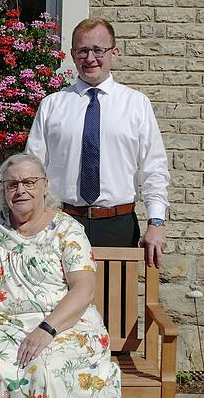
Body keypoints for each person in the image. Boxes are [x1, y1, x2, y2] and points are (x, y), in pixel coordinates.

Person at [0, 152, 121, 398]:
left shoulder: (67, 230)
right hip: (2, 327)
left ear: (45, 185)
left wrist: (46, 329)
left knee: (50, 370)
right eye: (12, 184)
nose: (20, 190)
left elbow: (84, 288)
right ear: (4, 190)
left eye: (29, 182)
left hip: (62, 324)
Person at [26, 18, 170, 268]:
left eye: (98, 50)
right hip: (61, 222)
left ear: (114, 53)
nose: (90, 58)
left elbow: (154, 168)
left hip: (117, 226)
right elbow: (32, 169)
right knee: (60, 303)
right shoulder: (52, 105)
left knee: (115, 303)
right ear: (73, 54)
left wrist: (156, 223)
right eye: (82, 50)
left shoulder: (136, 104)